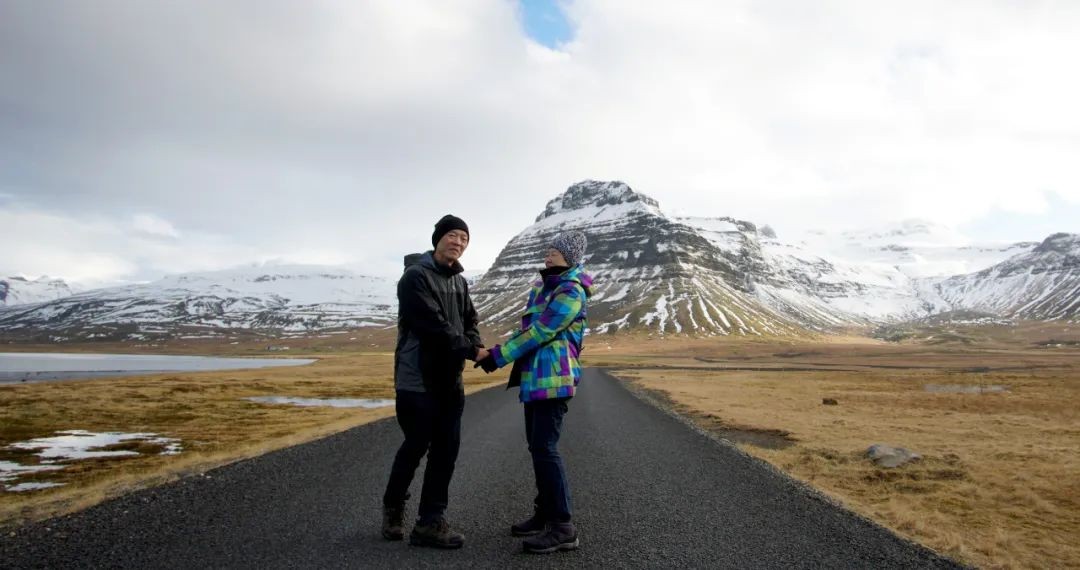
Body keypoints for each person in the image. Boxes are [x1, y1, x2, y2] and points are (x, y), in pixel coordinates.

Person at [476, 230, 592, 554]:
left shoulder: (571, 290)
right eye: (548, 251)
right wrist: (495, 349)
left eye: (554, 251)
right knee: (538, 447)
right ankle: (545, 514)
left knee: (545, 448)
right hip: (536, 380)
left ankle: (563, 526)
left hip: (554, 380)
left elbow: (541, 331)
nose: (548, 255)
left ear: (570, 256)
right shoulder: (545, 288)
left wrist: (497, 357)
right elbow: (526, 330)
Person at [381, 214, 487, 549]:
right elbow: (433, 326)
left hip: (449, 381)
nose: (458, 242)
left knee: (446, 452)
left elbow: (470, 320)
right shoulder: (414, 278)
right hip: (417, 380)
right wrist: (473, 351)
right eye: (453, 236)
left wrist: (474, 342)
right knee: (415, 447)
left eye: (464, 239)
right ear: (437, 238)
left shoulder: (460, 281)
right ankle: (393, 508)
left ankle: (430, 522)